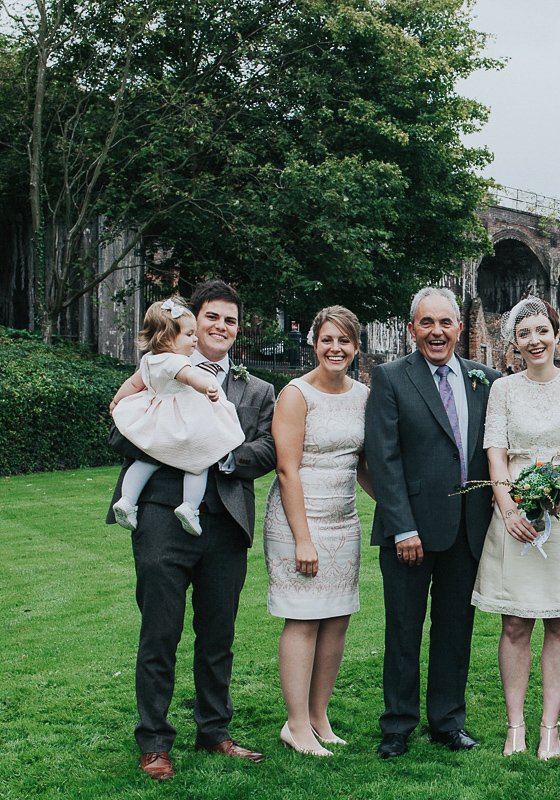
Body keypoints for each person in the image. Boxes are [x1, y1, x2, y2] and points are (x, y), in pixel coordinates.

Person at [106, 280, 277, 781]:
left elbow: (266, 450)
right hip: (162, 517)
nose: (221, 327)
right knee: (160, 631)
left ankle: (214, 732)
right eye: (212, 318)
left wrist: (222, 454)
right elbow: (120, 430)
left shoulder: (256, 388)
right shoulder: (159, 373)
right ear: (192, 324)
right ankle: (154, 742)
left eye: (230, 320)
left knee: (218, 634)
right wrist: (178, 444)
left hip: (225, 524)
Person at [364, 287, 501, 759]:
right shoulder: (390, 378)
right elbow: (383, 458)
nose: (437, 332)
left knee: (454, 629)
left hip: (467, 529)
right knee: (402, 629)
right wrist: (403, 526)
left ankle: (447, 721)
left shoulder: (486, 379)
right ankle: (397, 725)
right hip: (411, 530)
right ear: (411, 328)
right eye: (427, 323)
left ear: (460, 329)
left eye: (445, 323)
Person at [471, 298, 560, 760]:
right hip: (514, 514)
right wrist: (509, 508)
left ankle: (551, 726)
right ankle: (515, 726)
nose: (535, 340)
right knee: (514, 622)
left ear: (557, 333)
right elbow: (495, 451)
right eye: (525, 333)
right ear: (514, 342)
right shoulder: (503, 390)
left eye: (542, 330)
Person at [263, 306, 373, 756]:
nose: (336, 348)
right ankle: (295, 725)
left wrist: (396, 507)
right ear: (314, 343)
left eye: (344, 341)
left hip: (343, 519)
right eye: (327, 339)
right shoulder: (295, 394)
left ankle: (318, 716)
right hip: (297, 519)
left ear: (355, 346)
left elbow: (363, 464)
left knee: (336, 619)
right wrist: (303, 538)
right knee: (303, 619)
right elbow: (287, 469)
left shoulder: (364, 395)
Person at [110, 297, 245, 537]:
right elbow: (191, 377)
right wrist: (207, 387)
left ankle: (127, 500)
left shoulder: (148, 360)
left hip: (156, 417)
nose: (195, 339)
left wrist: (117, 401)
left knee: (147, 460)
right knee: (199, 461)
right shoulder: (176, 361)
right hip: (179, 416)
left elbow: (132, 383)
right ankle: (189, 506)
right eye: (189, 334)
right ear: (168, 339)